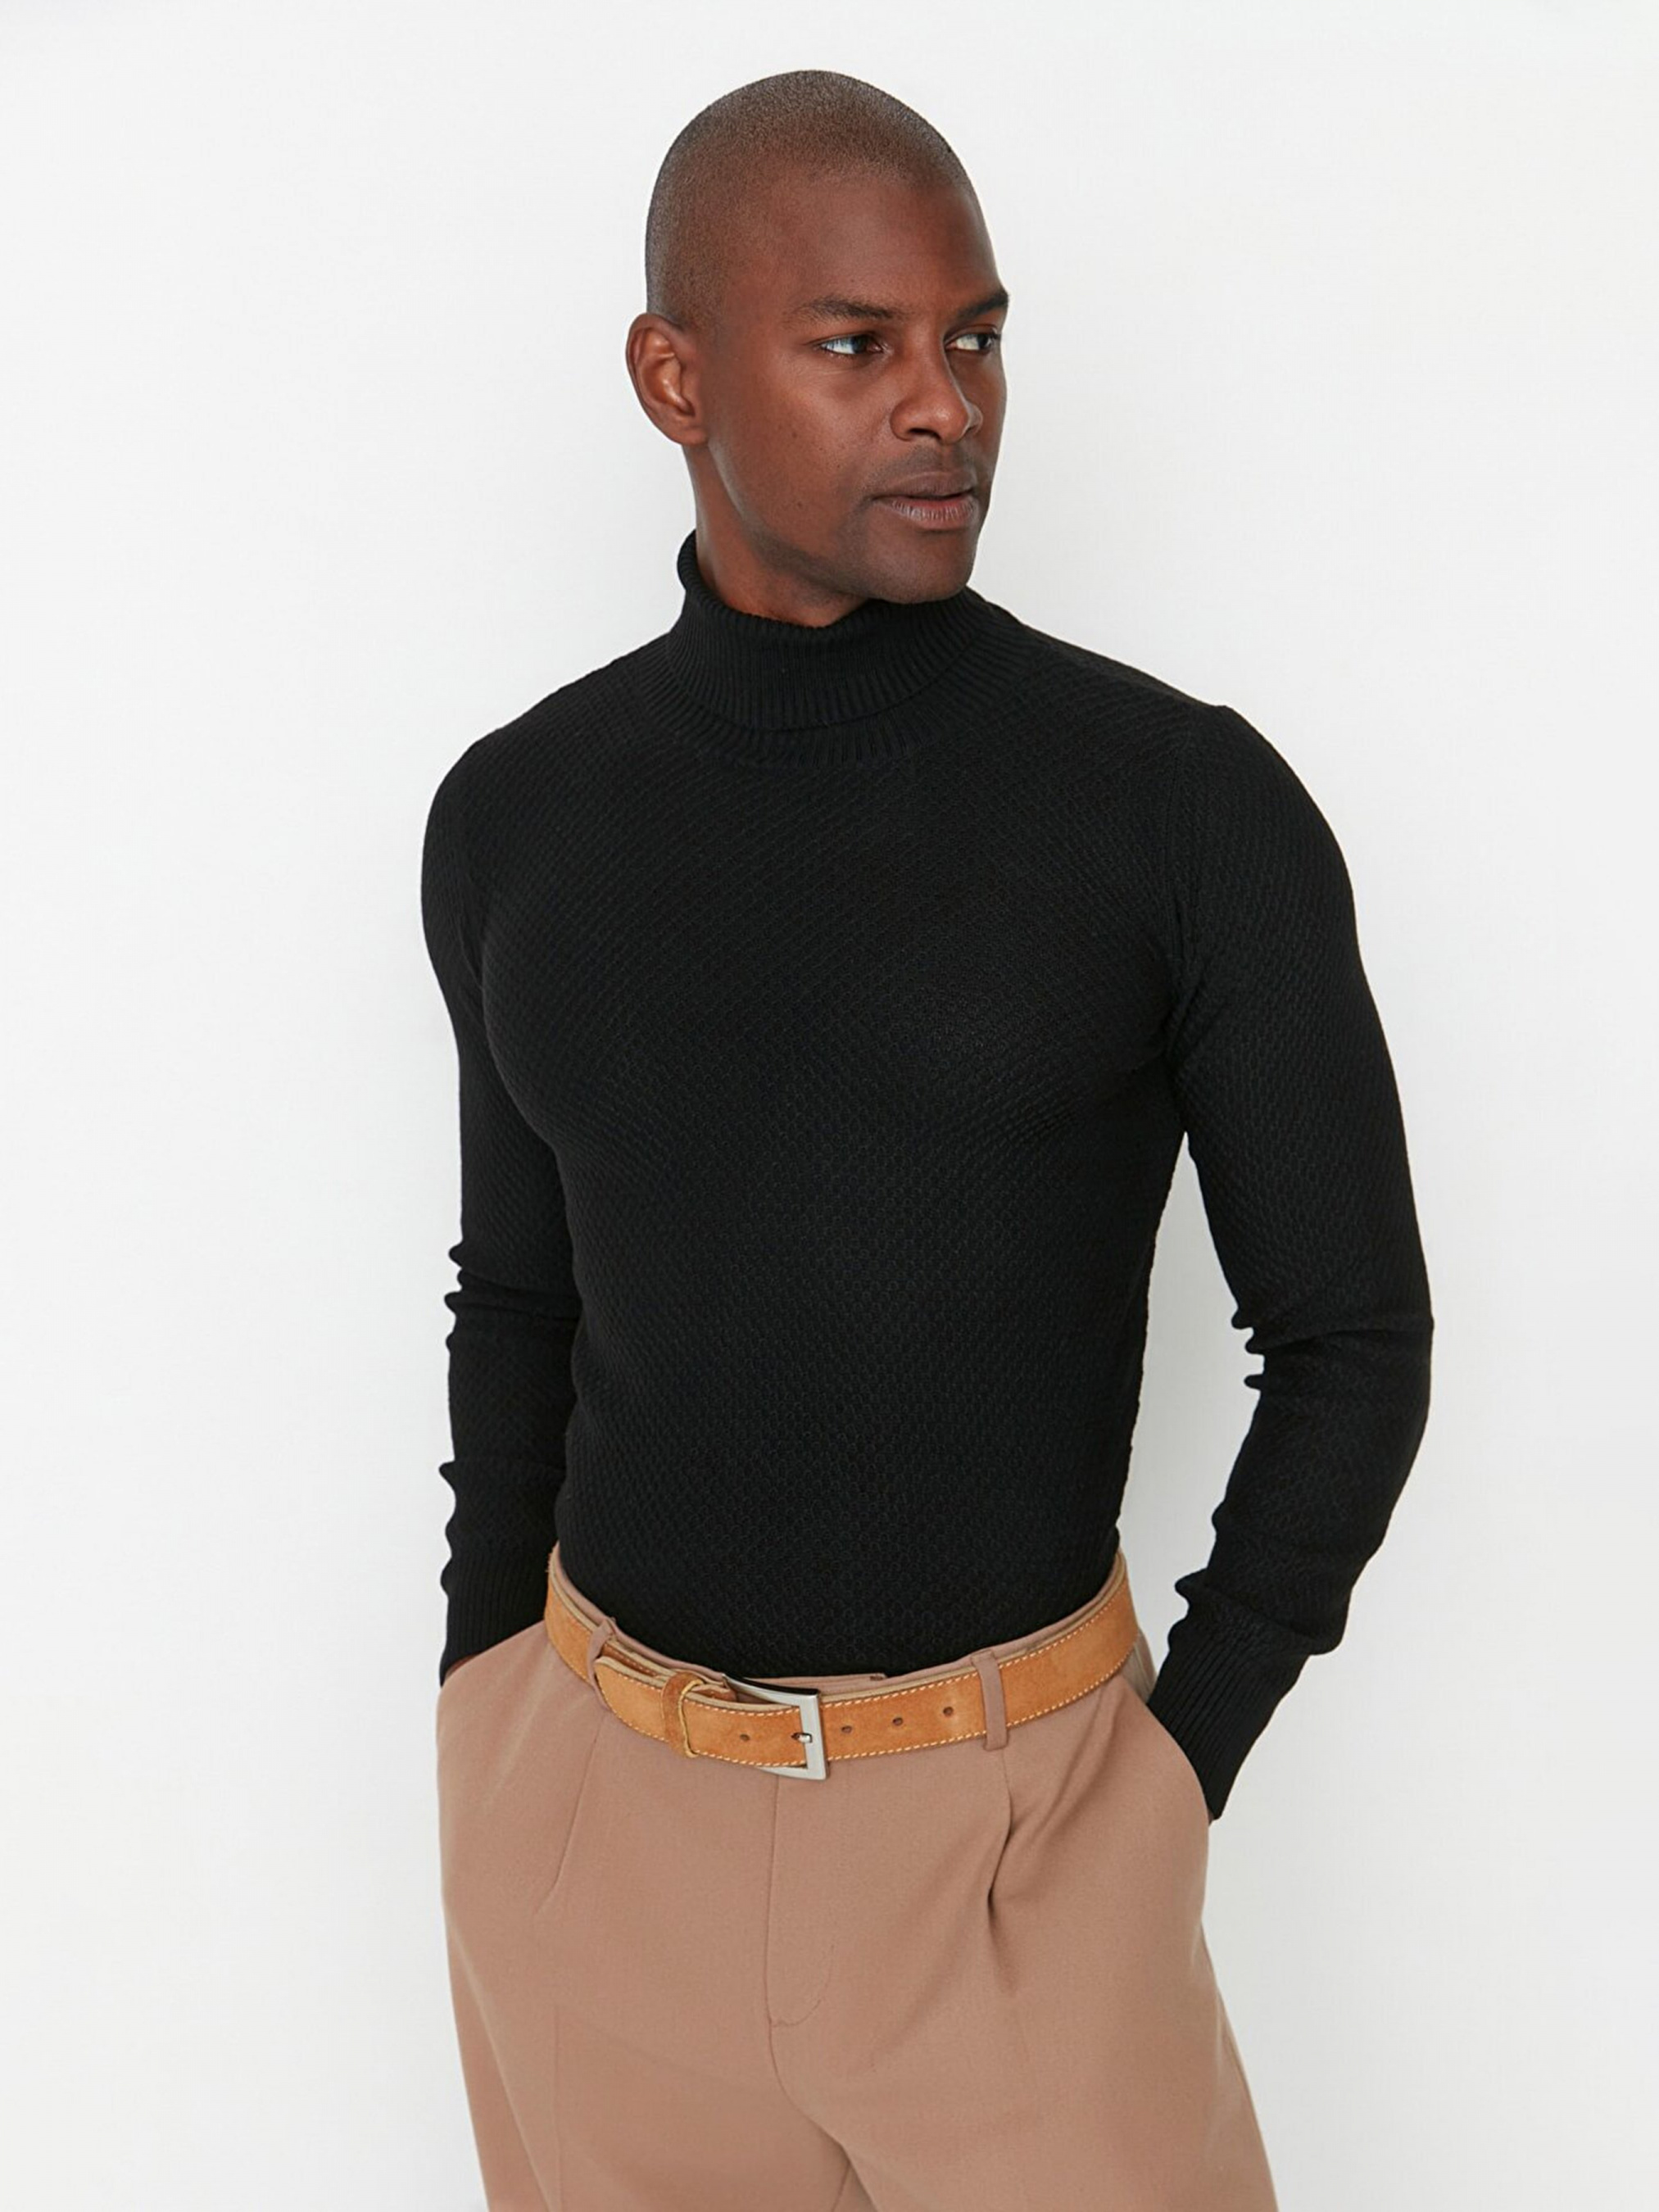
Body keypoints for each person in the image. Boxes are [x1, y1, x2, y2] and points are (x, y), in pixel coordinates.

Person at [420, 66, 1433, 2212]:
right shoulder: (518, 817)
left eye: (974, 337)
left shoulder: (1175, 808)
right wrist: (485, 1704)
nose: (944, 406)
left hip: (1021, 1858)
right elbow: (519, 1296)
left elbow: (1350, 1336)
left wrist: (1169, 1777)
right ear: (673, 376)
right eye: (856, 343)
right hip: (595, 1846)